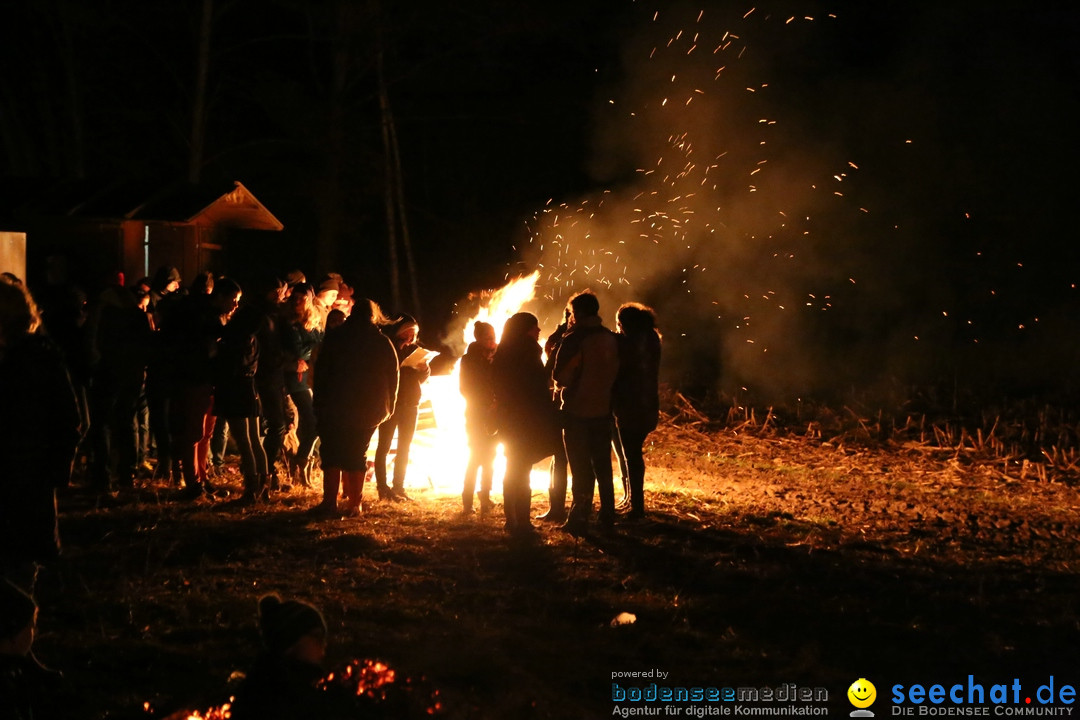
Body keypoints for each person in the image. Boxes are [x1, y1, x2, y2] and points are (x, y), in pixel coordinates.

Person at [0, 277, 82, 593]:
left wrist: (53, 470)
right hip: (27, 477)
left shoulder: (36, 359)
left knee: (18, 568)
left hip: (24, 478)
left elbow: (68, 421)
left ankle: (18, 635)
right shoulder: (38, 358)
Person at [313, 300, 399, 516]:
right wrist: (390, 405)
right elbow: (393, 375)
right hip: (368, 408)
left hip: (335, 404)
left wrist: (319, 401)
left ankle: (329, 502)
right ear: (373, 316)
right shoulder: (381, 341)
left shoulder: (336, 337)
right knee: (356, 453)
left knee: (332, 452)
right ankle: (354, 505)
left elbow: (322, 371)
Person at [552, 290, 620, 535]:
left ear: (577, 312)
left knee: (580, 467)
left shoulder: (574, 339)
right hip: (603, 410)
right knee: (602, 465)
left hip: (577, 411)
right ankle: (607, 515)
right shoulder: (611, 338)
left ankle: (580, 516)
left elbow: (560, 376)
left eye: (571, 312)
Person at [229, 595, 353, 720]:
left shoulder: (308, 688)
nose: (323, 644)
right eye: (317, 636)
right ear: (291, 640)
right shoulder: (269, 695)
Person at [491, 312, 559, 536]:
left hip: (509, 419)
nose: (538, 331)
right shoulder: (528, 351)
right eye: (534, 327)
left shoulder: (503, 351)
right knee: (522, 470)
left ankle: (511, 519)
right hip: (526, 419)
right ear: (524, 329)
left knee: (512, 468)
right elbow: (537, 383)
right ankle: (522, 519)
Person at [212, 279, 271, 504]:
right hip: (249, 386)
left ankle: (251, 489)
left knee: (244, 440)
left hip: (235, 387)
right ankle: (263, 487)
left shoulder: (235, 338)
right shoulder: (253, 338)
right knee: (254, 440)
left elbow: (228, 364)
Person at [611, 303, 662, 519]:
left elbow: (623, 367)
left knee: (631, 456)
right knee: (631, 454)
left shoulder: (632, 344)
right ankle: (632, 499)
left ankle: (637, 506)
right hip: (647, 404)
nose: (618, 328)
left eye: (620, 324)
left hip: (632, 406)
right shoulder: (650, 338)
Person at [373, 314, 429, 501]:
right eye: (408, 332)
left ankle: (399, 486)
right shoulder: (388, 347)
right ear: (400, 331)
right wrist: (401, 354)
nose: (411, 337)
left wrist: (424, 370)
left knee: (405, 446)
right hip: (392, 405)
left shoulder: (416, 350)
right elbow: (384, 373)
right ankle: (383, 486)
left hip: (411, 404)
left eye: (414, 334)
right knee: (384, 446)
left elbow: (419, 380)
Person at [280, 284, 324, 488]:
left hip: (311, 377)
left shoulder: (314, 324)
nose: (297, 301)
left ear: (308, 300)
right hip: (296, 380)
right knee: (313, 421)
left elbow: (321, 345)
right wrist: (309, 353)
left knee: (315, 423)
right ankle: (300, 463)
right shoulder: (289, 324)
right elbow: (298, 352)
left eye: (301, 298)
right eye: (294, 297)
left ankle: (303, 464)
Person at [459, 321, 497, 516]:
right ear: (479, 339)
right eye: (488, 338)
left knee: (490, 457)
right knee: (475, 457)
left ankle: (485, 495)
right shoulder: (469, 360)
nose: (492, 341)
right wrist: (484, 403)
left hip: (493, 415)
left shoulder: (495, 358)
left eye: (493, 337)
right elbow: (465, 388)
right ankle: (467, 501)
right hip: (476, 414)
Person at [538, 308, 571, 523]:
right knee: (560, 457)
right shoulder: (564, 337)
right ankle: (559, 505)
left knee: (561, 457)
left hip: (566, 406)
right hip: (564, 406)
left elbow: (552, 373)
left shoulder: (570, 340)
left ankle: (559, 507)